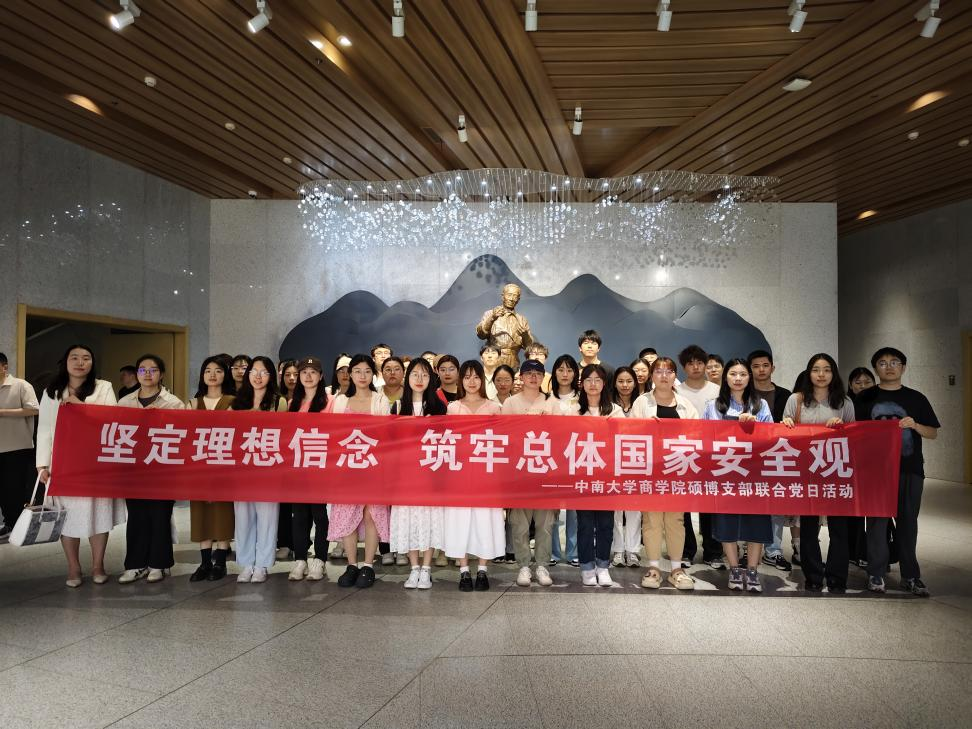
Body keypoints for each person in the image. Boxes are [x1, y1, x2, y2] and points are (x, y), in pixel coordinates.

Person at [36, 344, 125, 587]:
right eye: (74, 358)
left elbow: (111, 419)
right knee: (67, 515)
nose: (80, 362)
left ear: (92, 363)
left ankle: (98, 565)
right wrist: (42, 464)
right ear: (65, 362)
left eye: (86, 358)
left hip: (96, 461)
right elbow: (44, 428)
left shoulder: (103, 387)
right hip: (63, 463)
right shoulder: (52, 391)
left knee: (98, 513)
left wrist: (79, 406)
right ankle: (73, 567)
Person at [855, 347, 940, 596]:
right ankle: (876, 573)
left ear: (903, 367)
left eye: (894, 362)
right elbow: (853, 431)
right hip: (875, 472)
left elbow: (933, 432)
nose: (889, 367)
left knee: (908, 523)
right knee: (877, 523)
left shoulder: (917, 398)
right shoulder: (865, 398)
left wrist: (915, 425)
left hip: (910, 469)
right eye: (882, 363)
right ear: (875, 369)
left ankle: (911, 575)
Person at [781, 353, 856, 593]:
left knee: (839, 528)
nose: (821, 374)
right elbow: (784, 434)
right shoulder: (796, 400)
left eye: (826, 369)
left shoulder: (844, 402)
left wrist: (842, 428)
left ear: (834, 373)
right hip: (807, 472)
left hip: (836, 471)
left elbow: (855, 437)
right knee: (809, 528)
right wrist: (787, 424)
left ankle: (837, 577)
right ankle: (813, 576)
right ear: (809, 373)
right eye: (816, 369)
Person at [702, 358, 774, 593]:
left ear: (749, 377)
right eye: (733, 374)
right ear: (726, 377)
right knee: (727, 523)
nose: (738, 378)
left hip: (755, 474)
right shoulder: (713, 406)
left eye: (743, 374)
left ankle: (752, 571)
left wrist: (755, 427)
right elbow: (705, 439)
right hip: (725, 473)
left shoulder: (760, 405)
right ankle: (734, 569)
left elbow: (772, 438)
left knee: (757, 523)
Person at [115, 354, 184, 584]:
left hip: (162, 470)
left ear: (161, 374)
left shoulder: (173, 403)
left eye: (153, 370)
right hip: (133, 469)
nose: (147, 374)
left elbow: (182, 435)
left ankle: (159, 564)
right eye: (142, 369)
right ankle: (135, 564)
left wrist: (160, 419)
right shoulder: (125, 402)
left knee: (160, 515)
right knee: (136, 516)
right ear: (136, 374)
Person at [630, 357, 697, 590]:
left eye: (669, 371)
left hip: (678, 470)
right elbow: (629, 435)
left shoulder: (686, 405)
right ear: (651, 376)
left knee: (676, 520)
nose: (664, 375)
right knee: (651, 520)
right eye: (658, 371)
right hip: (650, 470)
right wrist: (645, 427)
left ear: (675, 375)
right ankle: (654, 568)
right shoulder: (642, 402)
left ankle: (676, 569)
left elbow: (698, 434)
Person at [327, 354, 391, 588]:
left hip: (373, 465)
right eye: (357, 371)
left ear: (373, 374)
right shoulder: (340, 401)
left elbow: (386, 434)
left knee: (370, 514)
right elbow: (333, 434)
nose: (362, 376)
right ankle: (351, 564)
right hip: (347, 466)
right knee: (347, 514)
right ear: (350, 374)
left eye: (367, 371)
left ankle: (368, 565)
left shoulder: (380, 400)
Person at [444, 360, 505, 591]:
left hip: (486, 474)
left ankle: (482, 570)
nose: (472, 381)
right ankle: (463, 571)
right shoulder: (453, 408)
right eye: (467, 377)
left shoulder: (494, 407)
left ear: (482, 380)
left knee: (485, 520)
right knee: (459, 520)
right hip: (459, 474)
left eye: (476, 376)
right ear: (461, 380)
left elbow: (501, 441)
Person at [563, 363, 624, 587]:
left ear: (604, 383)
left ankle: (603, 566)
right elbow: (564, 438)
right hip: (582, 475)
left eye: (597, 380)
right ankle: (587, 567)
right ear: (582, 384)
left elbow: (625, 437)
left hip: (607, 476)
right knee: (585, 523)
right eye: (588, 380)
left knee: (606, 523)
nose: (593, 384)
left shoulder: (615, 410)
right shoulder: (573, 410)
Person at [390, 357, 447, 589]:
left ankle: (426, 568)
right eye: (415, 374)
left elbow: (446, 441)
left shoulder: (439, 407)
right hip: (405, 476)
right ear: (408, 378)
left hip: (430, 474)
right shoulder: (396, 407)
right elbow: (390, 443)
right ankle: (414, 568)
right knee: (409, 521)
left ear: (431, 379)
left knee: (429, 520)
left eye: (424, 375)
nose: (420, 379)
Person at [231, 356, 287, 584]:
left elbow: (283, 434)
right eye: (253, 371)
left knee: (267, 518)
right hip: (242, 469)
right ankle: (246, 563)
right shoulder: (237, 402)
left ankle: (262, 564)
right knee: (243, 518)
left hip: (268, 469)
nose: (258, 376)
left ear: (271, 376)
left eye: (263, 372)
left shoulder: (278, 402)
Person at [502, 360, 554, 587]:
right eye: (529, 373)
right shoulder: (511, 403)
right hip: (519, 471)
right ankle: (523, 565)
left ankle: (542, 564)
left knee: (545, 524)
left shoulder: (552, 403)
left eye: (538, 373)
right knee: (520, 524)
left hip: (545, 471)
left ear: (543, 377)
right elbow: (505, 435)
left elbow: (561, 435)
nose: (533, 377)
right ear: (521, 377)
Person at [186, 355, 236, 582]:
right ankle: (205, 562)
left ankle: (221, 562)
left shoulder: (233, 401)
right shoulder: (193, 403)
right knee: (200, 514)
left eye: (218, 371)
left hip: (224, 466)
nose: (212, 375)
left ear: (225, 375)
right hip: (199, 466)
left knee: (222, 512)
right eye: (208, 371)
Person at [748, 349, 796, 571]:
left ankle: (773, 550)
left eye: (765, 365)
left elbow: (794, 423)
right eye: (756, 366)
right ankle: (748, 548)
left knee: (775, 502)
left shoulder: (785, 395)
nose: (761, 370)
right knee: (748, 503)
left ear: (772, 368)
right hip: (747, 456)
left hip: (777, 455)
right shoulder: (743, 393)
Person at [677, 345, 723, 569]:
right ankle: (686, 551)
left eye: (699, 362)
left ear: (705, 365)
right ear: (684, 367)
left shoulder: (717, 391)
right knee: (684, 505)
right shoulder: (677, 391)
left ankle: (713, 552)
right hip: (684, 453)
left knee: (710, 504)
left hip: (711, 454)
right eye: (690, 363)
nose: (695, 367)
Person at [287, 357, 330, 582]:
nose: (308, 376)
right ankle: (300, 558)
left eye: (313, 372)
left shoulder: (330, 402)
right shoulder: (292, 403)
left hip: (321, 468)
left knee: (320, 515)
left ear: (321, 376)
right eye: (304, 372)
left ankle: (320, 559)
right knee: (299, 516)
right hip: (298, 468)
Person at [545, 355, 580, 567]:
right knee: (552, 508)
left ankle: (574, 551)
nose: (565, 374)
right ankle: (553, 551)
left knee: (574, 509)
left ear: (575, 373)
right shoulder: (546, 398)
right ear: (554, 373)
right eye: (560, 370)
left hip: (577, 458)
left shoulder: (583, 398)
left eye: (569, 370)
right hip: (553, 459)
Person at [0, 352, 39, 543]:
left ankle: (16, 526)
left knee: (13, 489)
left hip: (17, 446)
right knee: (2, 489)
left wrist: (2, 412)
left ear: (4, 367)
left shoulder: (21, 385)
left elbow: (34, 409)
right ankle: (9, 524)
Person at [609, 366, 642, 568]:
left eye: (629, 381)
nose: (625, 385)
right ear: (614, 383)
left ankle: (633, 551)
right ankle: (618, 550)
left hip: (637, 461)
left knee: (634, 509)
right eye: (621, 381)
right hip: (613, 461)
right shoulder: (608, 404)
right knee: (615, 509)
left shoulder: (643, 402)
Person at [476, 282, 535, 368]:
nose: (511, 299)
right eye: (509, 295)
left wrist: (525, 335)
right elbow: (481, 334)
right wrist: (492, 318)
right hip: (494, 360)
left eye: (515, 296)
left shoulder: (522, 320)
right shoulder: (490, 314)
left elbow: (529, 348)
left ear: (518, 299)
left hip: (513, 362)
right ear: (502, 296)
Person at [276, 358, 299, 560]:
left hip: (301, 456)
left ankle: (299, 543)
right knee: (283, 503)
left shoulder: (306, 399)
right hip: (280, 457)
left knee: (300, 505)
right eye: (288, 374)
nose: (292, 378)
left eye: (296, 374)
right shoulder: (276, 399)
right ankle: (283, 542)